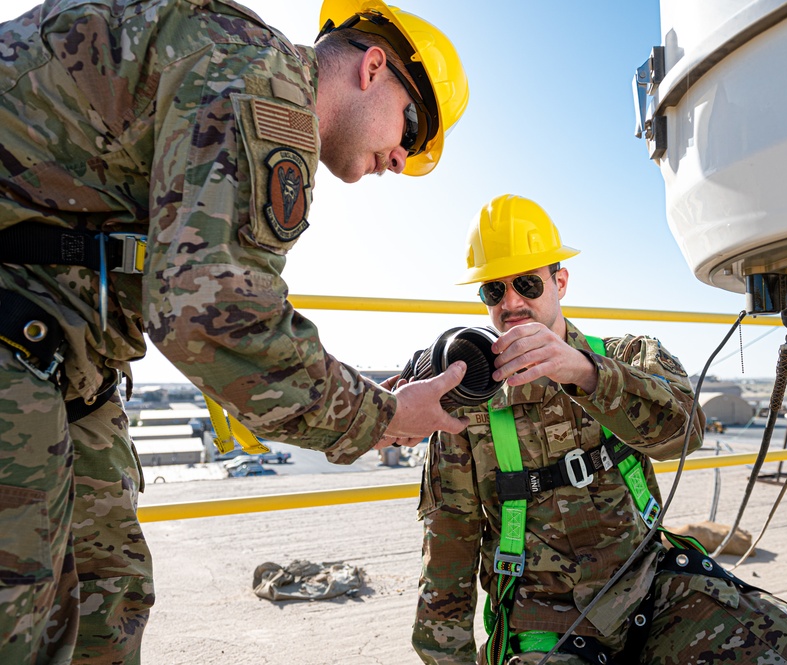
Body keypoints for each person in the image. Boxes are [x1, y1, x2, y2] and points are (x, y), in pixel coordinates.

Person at [0, 0, 470, 662]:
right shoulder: (263, 76)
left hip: (60, 347)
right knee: (13, 604)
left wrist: (371, 405)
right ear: (372, 67)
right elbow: (217, 313)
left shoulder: (236, 69)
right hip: (21, 330)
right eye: (413, 129)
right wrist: (383, 415)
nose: (401, 158)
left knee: (109, 595)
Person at [412, 194, 787, 664]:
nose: (512, 303)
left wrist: (586, 374)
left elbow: (683, 434)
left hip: (649, 593)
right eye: (494, 291)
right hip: (547, 623)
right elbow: (448, 553)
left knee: (771, 638)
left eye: (526, 283)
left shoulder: (630, 357)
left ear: (559, 282)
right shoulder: (467, 407)